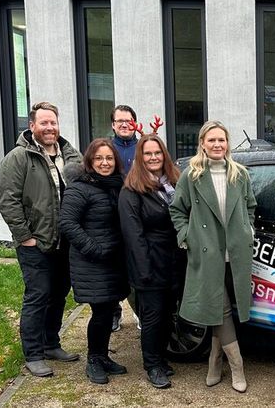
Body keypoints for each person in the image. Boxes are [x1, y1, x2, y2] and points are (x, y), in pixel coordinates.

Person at [0, 101, 83, 377]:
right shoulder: (19, 157)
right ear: (32, 125)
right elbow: (7, 199)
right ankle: (33, 354)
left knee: (59, 294)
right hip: (36, 243)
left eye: (53, 122)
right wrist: (25, 237)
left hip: (65, 242)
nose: (49, 127)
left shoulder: (70, 154)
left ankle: (51, 343)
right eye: (43, 123)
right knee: (38, 295)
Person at [170, 121, 256, 393]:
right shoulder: (191, 175)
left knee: (221, 308)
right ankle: (237, 366)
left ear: (227, 143)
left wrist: (248, 230)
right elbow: (177, 210)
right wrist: (187, 236)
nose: (217, 144)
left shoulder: (239, 173)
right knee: (222, 310)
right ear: (202, 144)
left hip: (236, 254)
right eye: (212, 140)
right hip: (207, 254)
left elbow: (250, 206)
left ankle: (214, 360)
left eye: (221, 140)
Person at [59, 139, 129, 384]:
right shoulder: (79, 188)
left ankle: (102, 356)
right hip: (92, 261)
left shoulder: (115, 185)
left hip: (112, 261)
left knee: (109, 310)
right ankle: (94, 360)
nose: (104, 163)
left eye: (109, 158)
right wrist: (94, 250)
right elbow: (67, 223)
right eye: (99, 158)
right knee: (100, 312)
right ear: (89, 161)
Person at [118, 134, 184, 389]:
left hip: (172, 261)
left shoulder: (173, 183)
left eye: (157, 153)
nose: (153, 157)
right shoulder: (131, 191)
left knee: (168, 315)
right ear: (140, 157)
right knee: (153, 318)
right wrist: (144, 270)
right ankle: (152, 365)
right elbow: (133, 235)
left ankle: (162, 358)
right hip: (148, 262)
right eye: (148, 153)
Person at [110, 104, 140, 332]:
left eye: (128, 120)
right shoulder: (106, 149)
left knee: (137, 263)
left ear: (135, 123)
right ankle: (114, 312)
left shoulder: (144, 147)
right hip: (111, 216)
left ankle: (140, 311)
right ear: (113, 125)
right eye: (119, 121)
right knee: (112, 267)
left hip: (139, 215)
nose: (124, 124)